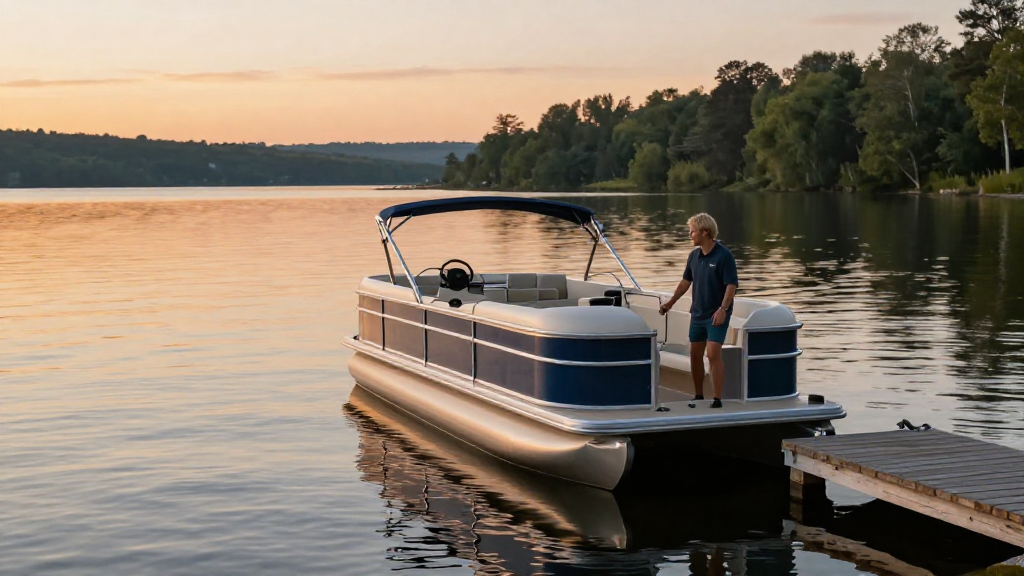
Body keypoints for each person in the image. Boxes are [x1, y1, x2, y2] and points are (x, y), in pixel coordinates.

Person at [659, 213, 738, 408]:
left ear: (705, 232)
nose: (690, 235)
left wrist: (723, 309)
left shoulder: (724, 255)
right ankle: (699, 395)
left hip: (717, 313)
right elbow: (686, 282)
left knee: (712, 353)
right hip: (698, 313)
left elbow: (731, 285)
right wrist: (671, 303)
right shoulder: (693, 256)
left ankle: (718, 398)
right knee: (695, 354)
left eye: (692, 231)